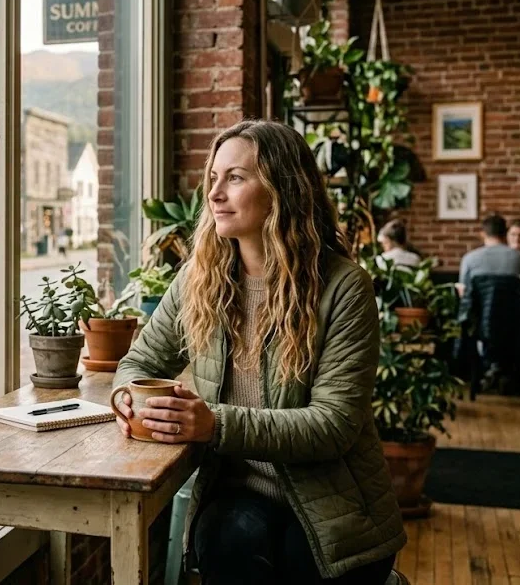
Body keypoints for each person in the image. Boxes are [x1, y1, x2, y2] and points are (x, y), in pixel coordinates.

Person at [112, 120, 405, 584]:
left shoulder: (344, 288)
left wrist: (214, 423)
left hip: (336, 509)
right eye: (214, 178)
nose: (215, 194)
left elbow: (333, 425)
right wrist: (127, 396)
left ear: (282, 189)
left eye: (236, 177)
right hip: (239, 495)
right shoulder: (198, 279)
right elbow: (139, 362)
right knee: (230, 541)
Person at [457, 214, 520, 297]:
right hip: (512, 308)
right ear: (505, 234)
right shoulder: (517, 257)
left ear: (483, 234)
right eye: (513, 234)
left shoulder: (469, 258)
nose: (517, 239)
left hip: (479, 309)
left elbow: (464, 293)